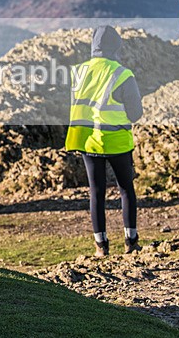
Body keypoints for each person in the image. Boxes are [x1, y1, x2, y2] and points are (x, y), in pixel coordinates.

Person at [66, 26, 143, 257]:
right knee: (126, 189)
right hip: (117, 140)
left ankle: (101, 245)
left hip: (89, 140)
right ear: (116, 47)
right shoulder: (123, 74)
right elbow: (135, 114)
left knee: (96, 192)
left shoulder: (78, 72)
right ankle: (131, 242)